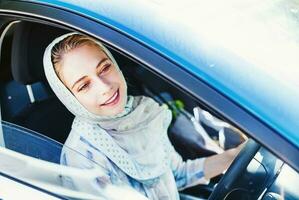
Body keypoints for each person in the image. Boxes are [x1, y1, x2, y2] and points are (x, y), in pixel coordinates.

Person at [43, 32, 244, 200]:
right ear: (70, 98)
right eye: (84, 85)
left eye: (104, 67)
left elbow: (176, 175)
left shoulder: (142, 114)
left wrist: (234, 157)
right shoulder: (83, 156)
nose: (105, 87)